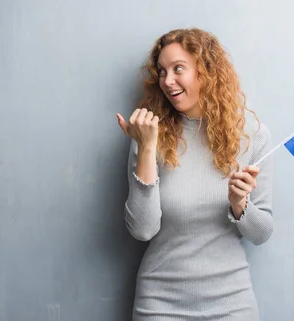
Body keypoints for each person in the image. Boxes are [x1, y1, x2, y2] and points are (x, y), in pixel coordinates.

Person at [115, 28, 274, 321]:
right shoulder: (149, 134)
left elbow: (262, 233)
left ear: (206, 71)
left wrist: (241, 206)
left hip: (232, 305)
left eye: (178, 69)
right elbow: (142, 229)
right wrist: (147, 148)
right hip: (159, 305)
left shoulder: (252, 136)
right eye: (162, 71)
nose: (167, 81)